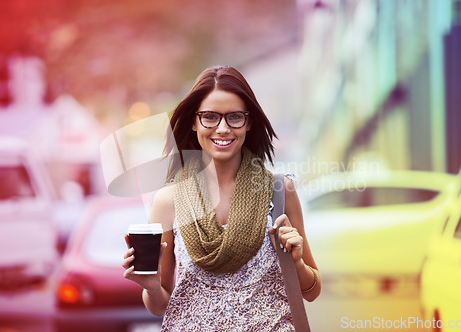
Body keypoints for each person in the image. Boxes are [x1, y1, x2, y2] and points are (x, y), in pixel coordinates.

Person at [122, 66, 321, 331]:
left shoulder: (280, 191)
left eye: (235, 117)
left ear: (249, 122)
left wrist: (296, 262)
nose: (223, 128)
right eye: (210, 117)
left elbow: (312, 291)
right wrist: (151, 286)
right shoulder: (168, 201)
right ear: (194, 122)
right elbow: (159, 305)